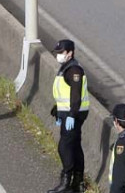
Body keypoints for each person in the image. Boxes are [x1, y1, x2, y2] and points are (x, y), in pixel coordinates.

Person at [47, 39, 91, 193]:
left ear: (70, 53)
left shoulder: (74, 71)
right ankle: (77, 183)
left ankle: (66, 182)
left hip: (74, 113)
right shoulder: (66, 67)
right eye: (57, 53)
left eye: (61, 53)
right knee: (74, 145)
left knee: (64, 146)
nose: (58, 55)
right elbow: (63, 93)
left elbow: (76, 95)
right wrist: (58, 109)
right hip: (68, 112)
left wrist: (71, 114)